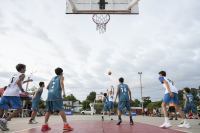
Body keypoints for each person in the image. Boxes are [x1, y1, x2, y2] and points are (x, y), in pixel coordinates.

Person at [0, 64, 32, 131]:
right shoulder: (22, 75)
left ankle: (3, 122)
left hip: (6, 93)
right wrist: (23, 91)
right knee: (20, 109)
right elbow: (18, 82)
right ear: (22, 69)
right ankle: (3, 122)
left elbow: (16, 82)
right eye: (25, 68)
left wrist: (27, 81)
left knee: (1, 107)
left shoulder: (13, 74)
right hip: (13, 93)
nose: (25, 70)